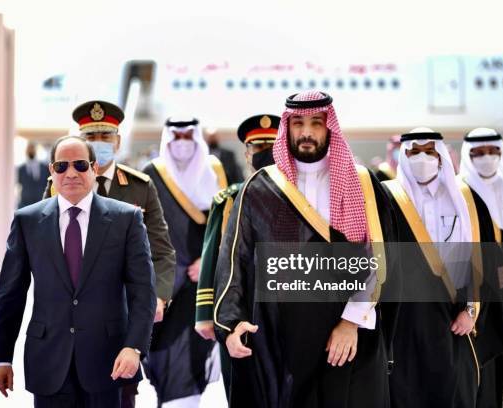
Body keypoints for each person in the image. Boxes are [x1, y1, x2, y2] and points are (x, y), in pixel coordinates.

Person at [213, 91, 397, 408]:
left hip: (345, 338)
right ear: (288, 127)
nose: (307, 133)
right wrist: (231, 323)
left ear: (330, 127)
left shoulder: (362, 182)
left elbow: (379, 258)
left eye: (316, 122)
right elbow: (235, 259)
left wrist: (351, 321)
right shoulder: (262, 185)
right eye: (298, 123)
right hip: (279, 337)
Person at [0, 135, 156, 407]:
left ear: (94, 168)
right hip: (48, 360)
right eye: (61, 166)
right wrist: (1, 357)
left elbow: (143, 291)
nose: (71, 174)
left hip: (108, 360)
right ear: (51, 171)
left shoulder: (126, 219)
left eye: (80, 165)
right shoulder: (27, 221)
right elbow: (10, 296)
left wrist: (134, 346)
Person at [44, 100, 175, 408]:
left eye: (105, 138)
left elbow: (162, 250)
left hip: (122, 316)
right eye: (90, 138)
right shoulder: (57, 184)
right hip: (69, 320)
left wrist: (159, 296)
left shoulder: (140, 187)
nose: (98, 145)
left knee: (121, 394)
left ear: (117, 141)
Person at [381, 127, 498, 407]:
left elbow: (483, 260)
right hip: (403, 321)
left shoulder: (466, 199)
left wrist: (471, 310)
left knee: (455, 390)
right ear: (404, 155)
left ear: (441, 155)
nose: (423, 158)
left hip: (453, 318)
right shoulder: (386, 197)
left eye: (430, 151)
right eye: (415, 152)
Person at [142, 117, 227, 407]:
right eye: (175, 136)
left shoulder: (213, 171)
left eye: (187, 136)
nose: (181, 143)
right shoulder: (151, 173)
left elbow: (227, 225)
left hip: (198, 284)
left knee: (189, 358)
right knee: (161, 355)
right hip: (161, 286)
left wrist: (209, 259)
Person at [194, 114, 279, 398]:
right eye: (258, 147)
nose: (265, 153)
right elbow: (212, 259)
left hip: (286, 307)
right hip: (240, 309)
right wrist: (207, 315)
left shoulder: (303, 199)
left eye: (272, 146)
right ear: (246, 153)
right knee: (244, 388)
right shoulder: (230, 198)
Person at [459, 127, 503, 408]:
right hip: (480, 298)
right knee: (485, 373)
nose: (487, 158)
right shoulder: (458, 191)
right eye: (478, 153)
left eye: (493, 152)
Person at [17, 142, 49, 208]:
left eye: (32, 149)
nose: (31, 151)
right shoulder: (21, 169)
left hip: (41, 202)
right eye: (29, 149)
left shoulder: (44, 167)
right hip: (25, 203)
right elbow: (19, 183)